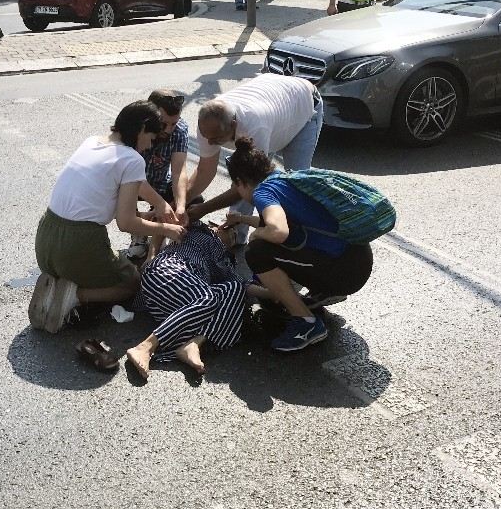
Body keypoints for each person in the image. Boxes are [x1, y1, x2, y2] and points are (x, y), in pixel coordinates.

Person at [29, 101, 187, 334]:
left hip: (46, 238)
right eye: (150, 138)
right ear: (142, 128)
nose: (148, 146)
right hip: (77, 244)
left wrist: (158, 206)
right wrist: (166, 229)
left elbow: (120, 190)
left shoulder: (92, 142)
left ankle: (60, 282)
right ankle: (73, 296)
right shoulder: (132, 159)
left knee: (101, 265)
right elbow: (126, 224)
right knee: (131, 283)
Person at [223, 138, 375, 352]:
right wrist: (241, 218)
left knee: (256, 252)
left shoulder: (262, 192)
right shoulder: (284, 179)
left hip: (344, 272)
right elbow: (283, 223)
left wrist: (256, 234)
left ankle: (307, 322)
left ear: (241, 182)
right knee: (270, 243)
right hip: (357, 259)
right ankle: (324, 292)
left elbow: (278, 230)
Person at [186, 73, 324, 242]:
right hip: (275, 107)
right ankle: (236, 233)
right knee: (247, 178)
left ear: (234, 126)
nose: (210, 142)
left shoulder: (254, 126)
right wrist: (179, 203)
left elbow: (248, 185)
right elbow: (205, 171)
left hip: (303, 108)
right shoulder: (209, 125)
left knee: (295, 184)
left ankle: (293, 236)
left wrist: (204, 208)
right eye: (206, 136)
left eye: (215, 139)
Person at [125, 221, 248, 381]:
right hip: (167, 271)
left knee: (236, 289)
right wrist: (151, 255)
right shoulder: (197, 229)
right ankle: (146, 347)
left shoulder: (224, 259)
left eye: (235, 237)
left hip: (182, 299)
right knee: (208, 299)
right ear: (220, 227)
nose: (233, 238)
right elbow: (166, 220)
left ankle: (194, 343)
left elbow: (242, 287)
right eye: (232, 233)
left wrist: (274, 293)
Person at [127, 89, 192, 262]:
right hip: (132, 183)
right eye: (164, 124)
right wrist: (159, 205)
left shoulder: (179, 131)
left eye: (173, 124)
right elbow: (130, 175)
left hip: (160, 182)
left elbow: (179, 172)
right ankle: (139, 234)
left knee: (190, 196)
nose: (169, 130)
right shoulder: (135, 131)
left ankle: (160, 237)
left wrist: (180, 206)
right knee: (124, 192)